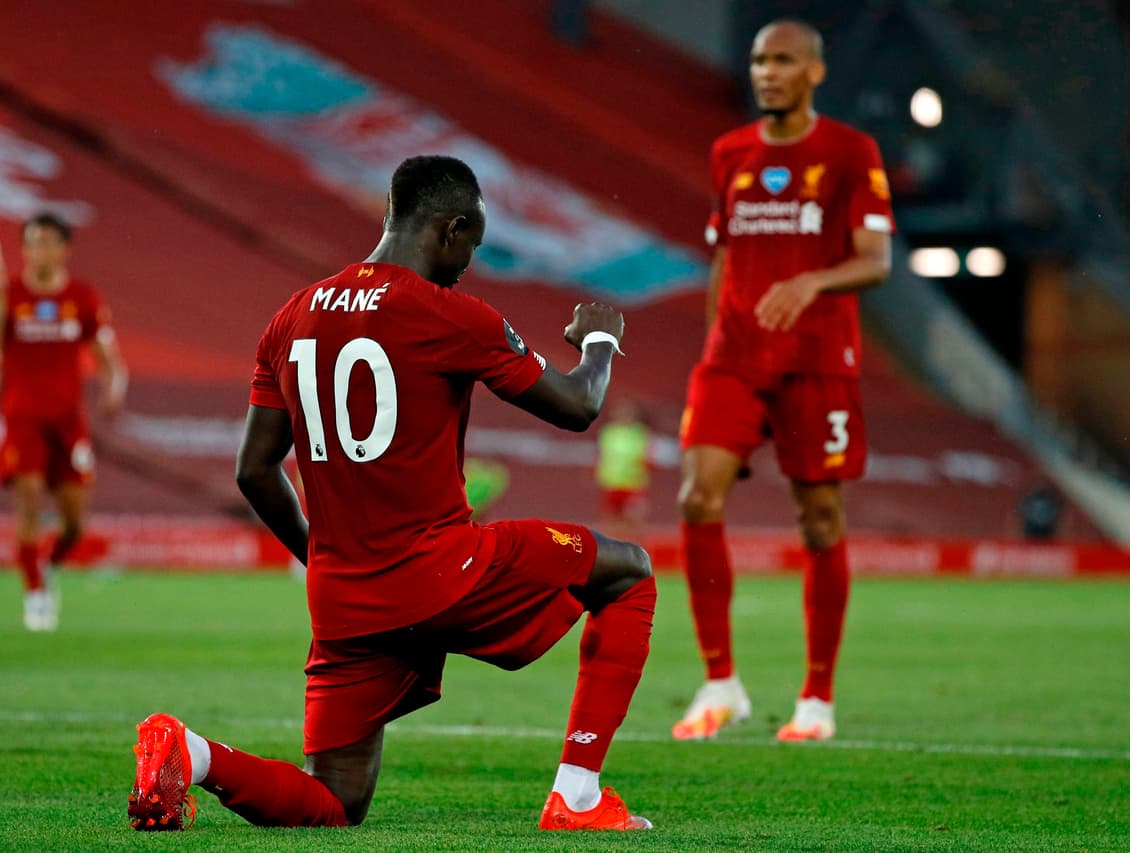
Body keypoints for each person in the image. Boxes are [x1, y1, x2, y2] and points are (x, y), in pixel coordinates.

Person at [128, 156, 655, 832]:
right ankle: (578, 796)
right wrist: (601, 340)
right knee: (628, 572)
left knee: (334, 803)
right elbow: (579, 406)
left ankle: (192, 753)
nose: (469, 262)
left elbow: (255, 469)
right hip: (445, 571)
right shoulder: (452, 313)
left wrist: (319, 555)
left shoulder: (290, 317)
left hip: (346, 598)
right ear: (451, 227)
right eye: (472, 244)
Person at [673, 19, 894, 743]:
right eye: (760, 59)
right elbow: (723, 257)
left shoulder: (850, 153)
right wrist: (711, 347)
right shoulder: (729, 152)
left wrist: (812, 280)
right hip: (734, 358)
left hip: (817, 360)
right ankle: (720, 682)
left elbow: (875, 259)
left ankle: (816, 698)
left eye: (783, 60)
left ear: (815, 73)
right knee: (697, 495)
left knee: (819, 520)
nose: (767, 72)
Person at [1, 214, 127, 631]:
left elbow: (105, 351)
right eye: (31, 243)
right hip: (22, 417)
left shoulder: (82, 298)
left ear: (63, 249)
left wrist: (113, 386)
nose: (38, 251)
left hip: (68, 421)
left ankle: (49, 564)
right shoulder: (11, 296)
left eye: (46, 242)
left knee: (74, 523)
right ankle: (35, 593)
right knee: (29, 502)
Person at [595, 398, 651, 537]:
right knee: (612, 520)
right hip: (611, 483)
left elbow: (646, 456)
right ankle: (612, 550)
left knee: (633, 520)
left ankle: (638, 551)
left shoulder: (639, 433)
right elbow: (603, 455)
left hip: (633, 484)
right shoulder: (608, 432)